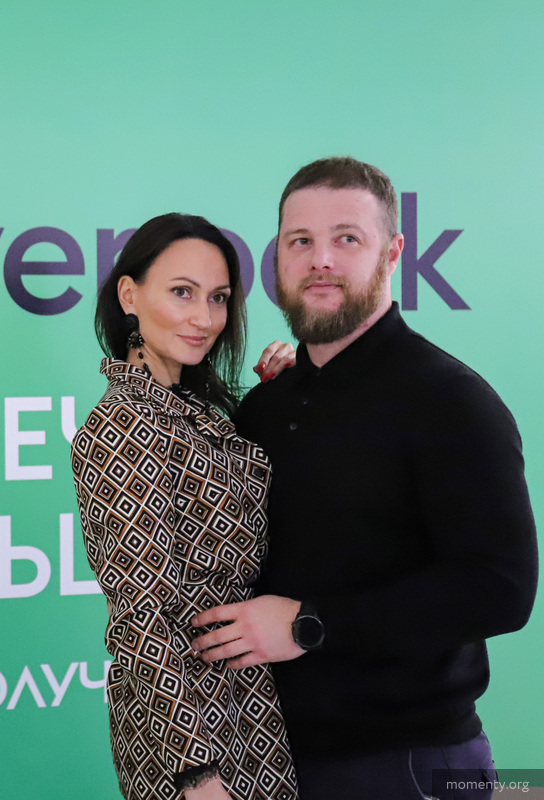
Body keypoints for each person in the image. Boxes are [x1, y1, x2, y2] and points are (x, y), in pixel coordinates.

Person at [190, 157, 538, 800]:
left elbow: (502, 589)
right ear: (277, 257)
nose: (320, 260)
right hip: (268, 760)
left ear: (393, 252)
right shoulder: (265, 406)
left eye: (346, 238)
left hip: (412, 766)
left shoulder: (451, 400)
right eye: (300, 241)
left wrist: (309, 624)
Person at [71, 212, 299, 800]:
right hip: (189, 728)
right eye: (182, 292)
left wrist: (288, 392)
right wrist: (196, 774)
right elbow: (140, 618)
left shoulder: (191, 407)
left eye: (218, 298)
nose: (204, 318)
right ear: (129, 296)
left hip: (247, 699)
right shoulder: (121, 425)